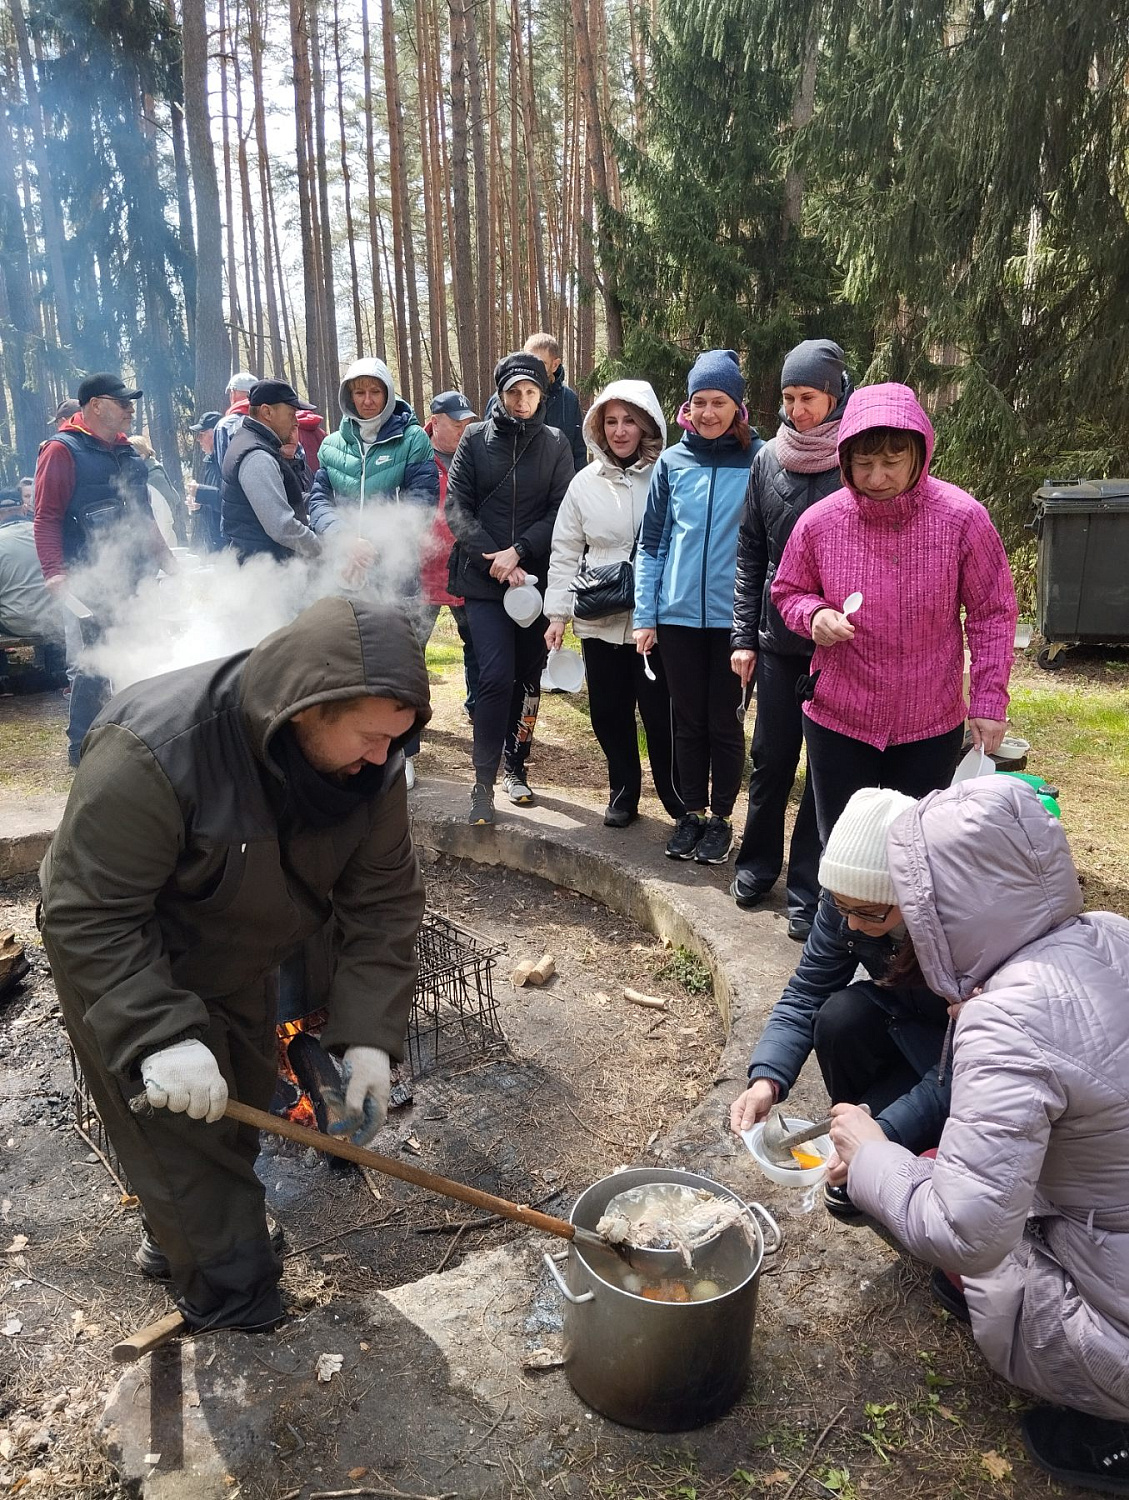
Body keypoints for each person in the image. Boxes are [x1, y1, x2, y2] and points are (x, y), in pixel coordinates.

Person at [39, 596, 431, 1333]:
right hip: (130, 960)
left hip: (240, 952)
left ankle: (179, 1231)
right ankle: (235, 1305)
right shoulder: (153, 750)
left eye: (398, 739)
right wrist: (157, 1033)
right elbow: (87, 912)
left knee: (243, 1098)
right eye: (373, 737)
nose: (384, 758)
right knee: (188, 1155)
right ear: (309, 710)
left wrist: (370, 1039)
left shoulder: (373, 769)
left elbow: (382, 906)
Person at [824, 778, 1129, 1494]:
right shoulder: (1109, 933)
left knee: (951, 1222)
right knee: (937, 1170)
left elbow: (965, 1229)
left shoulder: (1006, 1015)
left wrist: (871, 1158)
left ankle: (1113, 1430)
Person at [771, 382, 1017, 844]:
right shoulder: (821, 522)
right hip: (839, 716)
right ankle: (834, 918)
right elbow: (787, 591)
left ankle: (907, 920)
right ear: (844, 459)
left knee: (916, 849)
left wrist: (989, 702)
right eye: (863, 463)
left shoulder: (962, 519)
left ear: (919, 455)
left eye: (891, 462)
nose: (877, 477)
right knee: (844, 848)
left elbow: (993, 613)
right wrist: (814, 614)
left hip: (930, 721)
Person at [729, 786, 950, 1218]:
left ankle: (884, 1157)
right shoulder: (847, 899)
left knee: (913, 1124)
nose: (849, 921)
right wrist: (766, 1080)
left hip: (956, 1051)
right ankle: (850, 1152)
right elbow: (807, 990)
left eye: (867, 912)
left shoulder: (958, 927)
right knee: (838, 1016)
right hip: (901, 1018)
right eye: (840, 905)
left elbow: (964, 1065)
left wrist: (883, 1134)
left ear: (909, 895)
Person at [730, 340, 852, 939]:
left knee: (822, 773)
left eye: (808, 397)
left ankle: (807, 888)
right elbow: (751, 550)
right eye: (788, 398)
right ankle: (756, 865)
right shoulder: (767, 460)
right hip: (777, 640)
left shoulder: (853, 460)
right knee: (771, 761)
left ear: (834, 395)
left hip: (836, 648)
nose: (798, 410)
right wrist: (743, 636)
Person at [634, 349, 764, 865]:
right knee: (686, 721)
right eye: (698, 402)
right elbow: (651, 544)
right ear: (686, 407)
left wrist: (753, 626)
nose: (708, 412)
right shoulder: (672, 462)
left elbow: (764, 546)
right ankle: (690, 814)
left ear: (738, 407)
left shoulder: (760, 460)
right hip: (678, 616)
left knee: (724, 722)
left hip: (734, 621)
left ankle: (721, 819)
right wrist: (646, 613)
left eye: (719, 402)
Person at [543, 379, 684, 829]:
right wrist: (557, 613)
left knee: (660, 713)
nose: (620, 431)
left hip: (654, 619)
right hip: (599, 615)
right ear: (599, 428)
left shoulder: (669, 475)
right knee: (608, 711)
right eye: (611, 421)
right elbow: (565, 549)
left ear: (647, 426)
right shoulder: (583, 485)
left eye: (630, 421)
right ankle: (623, 790)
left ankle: (677, 798)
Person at [445, 351, 575, 824]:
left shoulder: (557, 443)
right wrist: (496, 558)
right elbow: (457, 507)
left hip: (535, 580)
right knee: (495, 675)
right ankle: (482, 781)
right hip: (484, 580)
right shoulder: (475, 439)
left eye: (531, 392)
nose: (522, 401)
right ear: (499, 393)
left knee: (527, 679)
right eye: (513, 391)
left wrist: (519, 551)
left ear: (543, 393)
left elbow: (561, 510)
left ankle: (516, 769)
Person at [32, 372, 173, 764]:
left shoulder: (128, 452)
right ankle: (81, 746)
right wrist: (54, 572)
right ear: (96, 405)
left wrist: (169, 562)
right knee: (97, 658)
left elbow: (145, 518)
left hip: (137, 573)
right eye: (122, 402)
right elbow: (46, 518)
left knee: (142, 647)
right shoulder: (62, 450)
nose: (131, 410)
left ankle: (139, 734)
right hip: (89, 575)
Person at [307, 357, 440, 601]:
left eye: (375, 392)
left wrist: (372, 547)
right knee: (345, 637)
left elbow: (422, 503)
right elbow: (319, 501)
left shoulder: (412, 439)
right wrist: (344, 538)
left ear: (388, 393)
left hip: (395, 567)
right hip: (343, 565)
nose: (367, 400)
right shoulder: (331, 444)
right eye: (359, 392)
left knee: (392, 638)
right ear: (349, 396)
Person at [424, 390, 480, 722]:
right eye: (457, 424)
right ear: (435, 422)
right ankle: (416, 709)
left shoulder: (475, 453)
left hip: (465, 565)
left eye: (468, 423)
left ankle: (477, 707)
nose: (464, 430)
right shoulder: (415, 453)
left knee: (476, 643)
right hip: (424, 569)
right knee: (415, 646)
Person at [221, 379, 321, 563]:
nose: (295, 422)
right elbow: (282, 527)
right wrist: (324, 550)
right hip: (264, 573)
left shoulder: (250, 442)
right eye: (291, 414)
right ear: (267, 412)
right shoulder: (257, 456)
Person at [128, 433, 187, 546]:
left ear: (142, 455)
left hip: (163, 535)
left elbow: (167, 505)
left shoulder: (153, 474)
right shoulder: (140, 474)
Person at [187, 410, 223, 552]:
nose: (198, 439)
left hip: (229, 545)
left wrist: (201, 492)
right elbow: (213, 504)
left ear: (215, 434)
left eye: (201, 434)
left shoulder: (227, 461)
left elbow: (232, 502)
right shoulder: (209, 461)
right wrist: (199, 506)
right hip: (214, 544)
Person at [213, 371, 258, 470]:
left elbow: (224, 468)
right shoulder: (269, 420)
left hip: (237, 484)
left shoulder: (225, 426)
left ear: (233, 393)